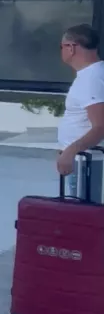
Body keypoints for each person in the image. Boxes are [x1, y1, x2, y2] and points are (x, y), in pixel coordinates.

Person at [57, 23, 104, 190]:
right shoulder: (93, 74)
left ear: (71, 48)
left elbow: (100, 126)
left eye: (61, 46)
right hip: (82, 161)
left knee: (83, 212)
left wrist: (70, 152)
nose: (61, 51)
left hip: (85, 163)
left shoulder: (91, 79)